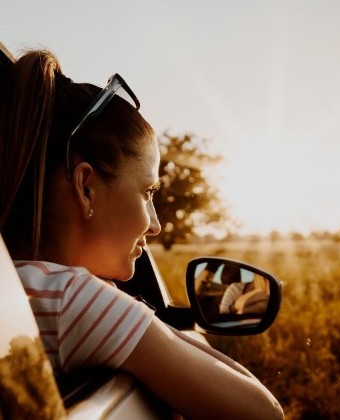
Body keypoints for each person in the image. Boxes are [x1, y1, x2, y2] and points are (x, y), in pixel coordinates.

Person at [0, 47, 283, 420]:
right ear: (86, 187)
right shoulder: (71, 299)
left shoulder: (18, 287)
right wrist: (136, 311)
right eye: (148, 193)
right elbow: (263, 411)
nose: (155, 223)